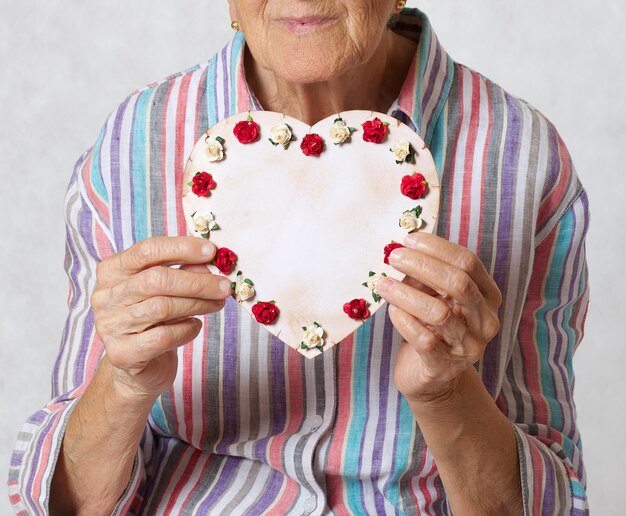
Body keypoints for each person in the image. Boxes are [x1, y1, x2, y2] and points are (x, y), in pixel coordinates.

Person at [8, 2, 590, 515]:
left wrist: (444, 391)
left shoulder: (525, 161)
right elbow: (67, 505)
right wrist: (125, 383)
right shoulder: (129, 147)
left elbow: (544, 500)